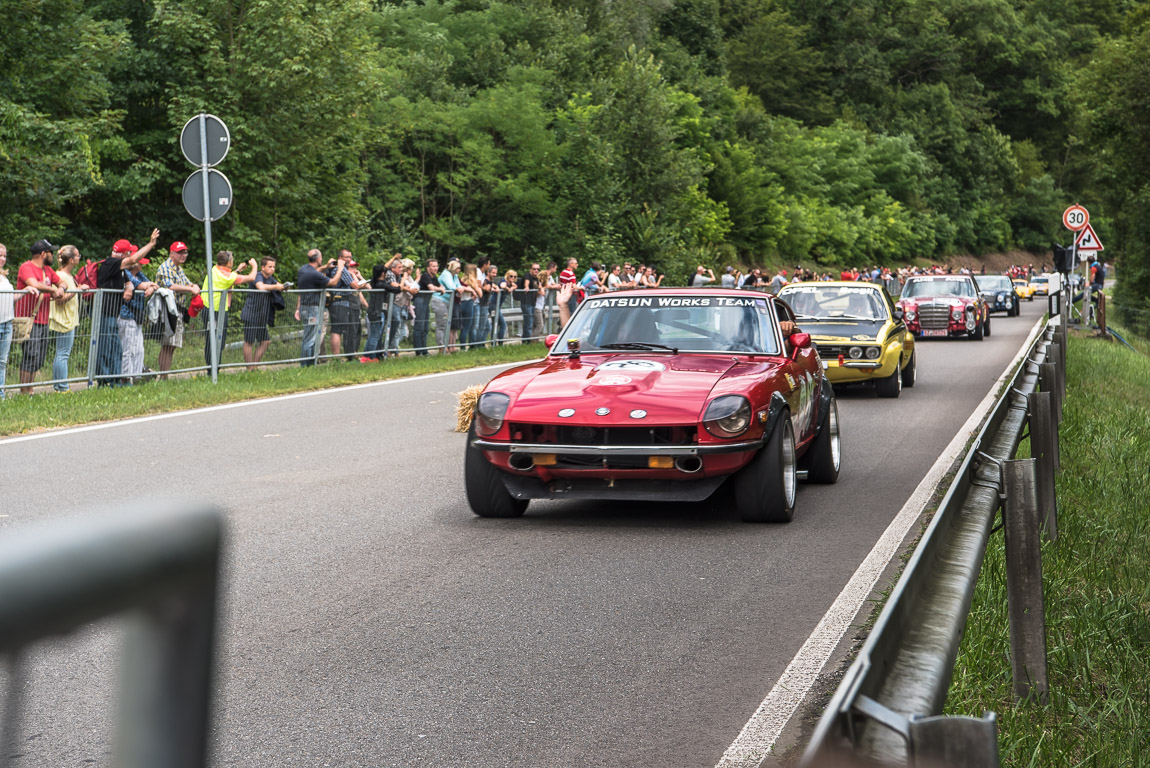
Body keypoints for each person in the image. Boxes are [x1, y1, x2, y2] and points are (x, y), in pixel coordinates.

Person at [95, 231, 158, 386]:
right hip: (105, 312)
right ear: (125, 254)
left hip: (113, 313)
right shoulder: (111, 263)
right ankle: (104, 382)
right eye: (129, 253)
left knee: (116, 348)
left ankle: (118, 381)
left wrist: (129, 285)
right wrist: (150, 244)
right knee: (105, 348)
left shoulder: (119, 268)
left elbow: (127, 279)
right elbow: (133, 260)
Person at [14, 239, 65, 394]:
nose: (53, 255)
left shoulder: (48, 271)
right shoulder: (26, 267)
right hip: (29, 319)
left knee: (39, 358)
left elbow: (61, 281)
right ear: (43, 254)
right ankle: (25, 391)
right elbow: (33, 284)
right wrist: (52, 290)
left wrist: (61, 289)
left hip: (43, 319)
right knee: (30, 355)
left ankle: (30, 388)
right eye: (50, 252)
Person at [202, 250, 257, 367]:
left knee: (211, 339)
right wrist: (255, 266)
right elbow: (251, 278)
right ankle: (213, 369)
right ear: (228, 262)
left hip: (207, 309)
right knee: (218, 341)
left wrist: (237, 270)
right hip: (217, 311)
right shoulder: (227, 277)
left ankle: (212, 368)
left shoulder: (214, 270)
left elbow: (227, 276)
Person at [154, 241, 201, 378]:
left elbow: (188, 283)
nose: (183, 255)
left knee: (172, 345)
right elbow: (171, 286)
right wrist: (191, 289)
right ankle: (163, 376)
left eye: (185, 252)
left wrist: (194, 286)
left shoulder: (179, 269)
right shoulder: (165, 267)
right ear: (172, 253)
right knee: (167, 344)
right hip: (168, 310)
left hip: (177, 310)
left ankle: (165, 375)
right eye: (180, 252)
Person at [48, 246, 88, 391]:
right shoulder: (61, 277)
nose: (79, 258)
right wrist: (77, 291)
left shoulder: (68, 276)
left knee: (62, 353)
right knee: (62, 353)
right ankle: (62, 387)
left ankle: (60, 385)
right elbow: (60, 299)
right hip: (63, 319)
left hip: (69, 318)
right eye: (78, 256)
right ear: (71, 260)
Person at [295, 249, 344, 366]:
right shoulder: (314, 274)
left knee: (309, 337)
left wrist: (326, 266)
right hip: (313, 309)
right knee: (310, 339)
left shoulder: (303, 270)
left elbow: (315, 272)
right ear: (318, 259)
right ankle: (307, 365)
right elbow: (332, 282)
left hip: (305, 307)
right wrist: (340, 268)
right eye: (321, 257)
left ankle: (309, 363)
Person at [0, 244, 35, 400]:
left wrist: (24, 290)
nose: (2, 259)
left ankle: (1, 393)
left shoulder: (4, 277)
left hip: (7, 322)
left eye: (4, 256)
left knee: (2, 361)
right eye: (0, 255)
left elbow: (10, 298)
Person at [241, 256, 287, 370]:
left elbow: (278, 284)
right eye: (270, 266)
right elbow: (260, 287)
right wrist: (276, 287)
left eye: (274, 267)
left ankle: (255, 366)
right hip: (251, 313)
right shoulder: (258, 276)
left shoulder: (271, 278)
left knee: (265, 341)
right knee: (249, 341)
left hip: (262, 315)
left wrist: (283, 287)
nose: (272, 269)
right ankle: (249, 368)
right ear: (263, 267)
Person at [119, 254, 158, 384]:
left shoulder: (140, 274)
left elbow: (151, 284)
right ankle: (126, 377)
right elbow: (138, 285)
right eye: (140, 263)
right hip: (127, 315)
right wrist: (148, 286)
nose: (142, 265)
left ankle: (137, 376)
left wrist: (151, 287)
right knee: (128, 349)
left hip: (137, 317)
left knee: (139, 349)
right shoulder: (126, 273)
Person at [323, 249, 364, 361]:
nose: (349, 259)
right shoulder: (341, 270)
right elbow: (354, 285)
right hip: (340, 301)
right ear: (340, 258)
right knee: (337, 329)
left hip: (338, 301)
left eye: (350, 257)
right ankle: (336, 357)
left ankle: (337, 356)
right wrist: (361, 282)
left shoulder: (334, 268)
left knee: (339, 329)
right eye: (346, 257)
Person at [413, 258, 442, 355]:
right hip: (420, 300)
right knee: (419, 327)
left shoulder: (434, 277)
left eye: (436, 266)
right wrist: (440, 289)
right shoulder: (425, 276)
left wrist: (440, 288)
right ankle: (419, 351)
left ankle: (424, 350)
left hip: (426, 301)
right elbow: (431, 288)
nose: (435, 268)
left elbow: (441, 286)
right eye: (433, 266)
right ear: (428, 268)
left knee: (425, 327)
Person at [437, 258, 463, 353]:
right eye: (458, 268)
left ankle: (450, 347)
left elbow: (458, 285)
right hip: (441, 300)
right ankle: (444, 347)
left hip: (449, 301)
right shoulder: (446, 274)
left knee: (451, 325)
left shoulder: (454, 276)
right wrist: (458, 289)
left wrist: (459, 288)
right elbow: (451, 286)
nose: (460, 270)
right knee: (444, 325)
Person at [458, 263, 482, 348]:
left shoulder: (461, 280)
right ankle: (465, 347)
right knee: (467, 327)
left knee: (462, 328)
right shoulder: (473, 282)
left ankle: (462, 346)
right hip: (468, 303)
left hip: (461, 303)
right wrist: (477, 290)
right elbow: (480, 294)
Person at [518, 263, 540, 342]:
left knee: (530, 323)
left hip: (533, 303)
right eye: (534, 269)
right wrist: (526, 287)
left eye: (538, 269)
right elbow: (526, 284)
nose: (536, 270)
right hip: (526, 303)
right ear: (530, 269)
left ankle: (526, 340)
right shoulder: (527, 276)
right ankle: (527, 341)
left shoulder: (536, 278)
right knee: (529, 323)